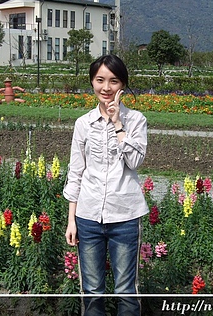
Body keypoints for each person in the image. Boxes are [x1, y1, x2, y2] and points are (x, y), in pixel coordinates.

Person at [64, 54, 148, 316]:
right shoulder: (83, 124)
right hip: (87, 217)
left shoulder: (136, 120)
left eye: (113, 81)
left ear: (122, 84)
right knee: (92, 291)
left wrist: (118, 124)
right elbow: (75, 172)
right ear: (92, 82)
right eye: (100, 80)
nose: (106, 88)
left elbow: (134, 162)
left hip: (124, 216)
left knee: (126, 290)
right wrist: (71, 220)